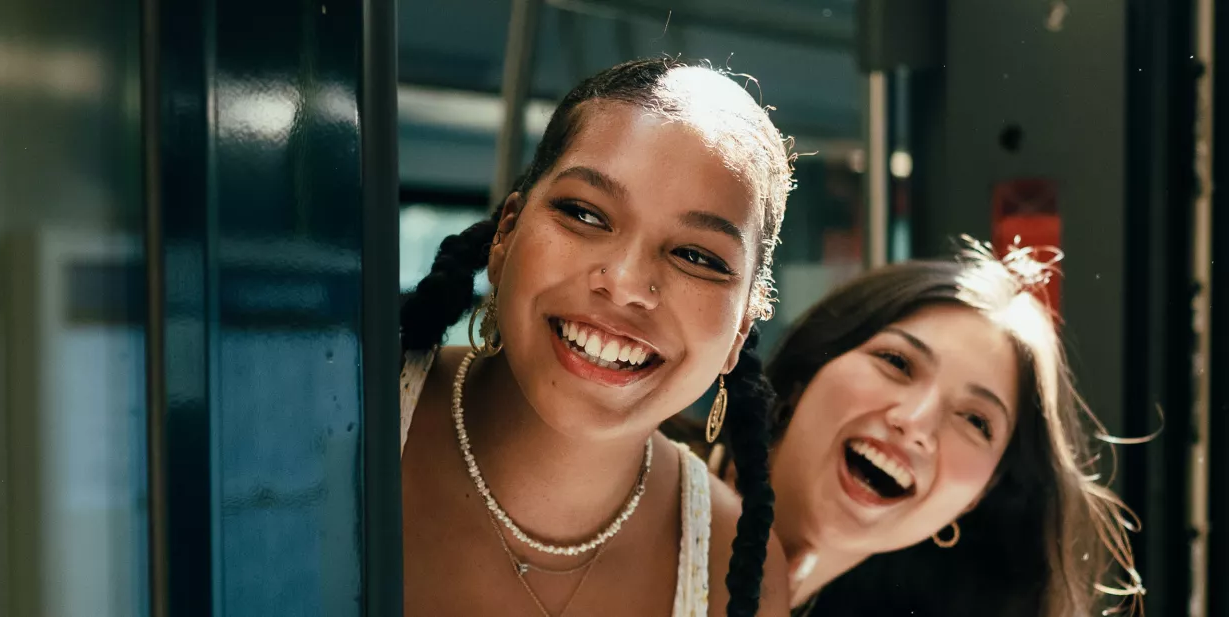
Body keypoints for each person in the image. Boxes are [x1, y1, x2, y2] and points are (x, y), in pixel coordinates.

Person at [398, 58, 794, 616]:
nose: (628, 284)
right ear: (506, 232)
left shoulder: (733, 567)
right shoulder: (348, 413)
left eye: (696, 256)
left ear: (741, 331)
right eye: (585, 214)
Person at [701, 241, 1144, 616]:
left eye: (975, 421)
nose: (915, 424)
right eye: (897, 363)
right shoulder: (647, 488)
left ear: (981, 496)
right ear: (805, 376)